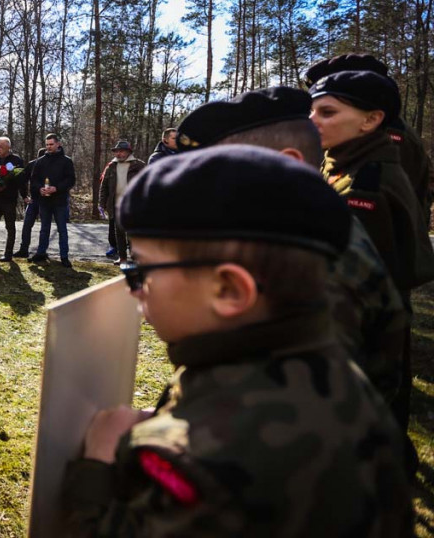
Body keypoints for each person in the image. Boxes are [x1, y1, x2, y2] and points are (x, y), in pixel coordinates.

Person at [63, 146, 412, 536]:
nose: (134, 290)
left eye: (141, 269)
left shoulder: (197, 463)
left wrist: (99, 458)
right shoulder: (333, 369)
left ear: (230, 290)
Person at [175, 86, 409, 429]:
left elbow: (287, 425)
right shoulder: (306, 232)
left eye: (216, 169)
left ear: (285, 164)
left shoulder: (308, 268)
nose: (202, 186)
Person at [307, 54, 434, 297]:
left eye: (328, 110)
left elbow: (390, 198)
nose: (313, 120)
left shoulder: (390, 135)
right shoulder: (344, 145)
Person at [28, 134, 75, 267]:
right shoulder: (40, 161)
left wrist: (57, 188)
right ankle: (41, 252)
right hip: (44, 201)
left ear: (58, 144)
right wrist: (39, 189)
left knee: (62, 229)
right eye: (47, 144)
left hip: (60, 201)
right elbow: (34, 180)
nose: (48, 147)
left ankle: (64, 256)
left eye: (51, 144)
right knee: (44, 229)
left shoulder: (66, 161)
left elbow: (71, 180)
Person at [98, 141, 146, 264]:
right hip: (116, 205)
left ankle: (136, 258)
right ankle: (122, 258)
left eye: (122, 151)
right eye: (117, 151)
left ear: (128, 152)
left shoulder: (139, 166)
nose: (119, 154)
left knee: (133, 233)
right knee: (119, 233)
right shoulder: (111, 166)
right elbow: (104, 187)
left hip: (133, 206)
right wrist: (101, 204)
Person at [0, 137, 26, 262]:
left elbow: (22, 181)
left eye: (1, 146)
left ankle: (8, 254)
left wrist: (24, 196)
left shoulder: (16, 160)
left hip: (9, 199)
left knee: (10, 227)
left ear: (8, 147)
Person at [13, 148, 46, 259]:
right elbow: (23, 180)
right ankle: (24, 249)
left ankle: (41, 251)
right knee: (27, 225)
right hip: (34, 199)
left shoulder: (50, 165)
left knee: (44, 226)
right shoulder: (32, 165)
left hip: (46, 200)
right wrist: (24, 196)